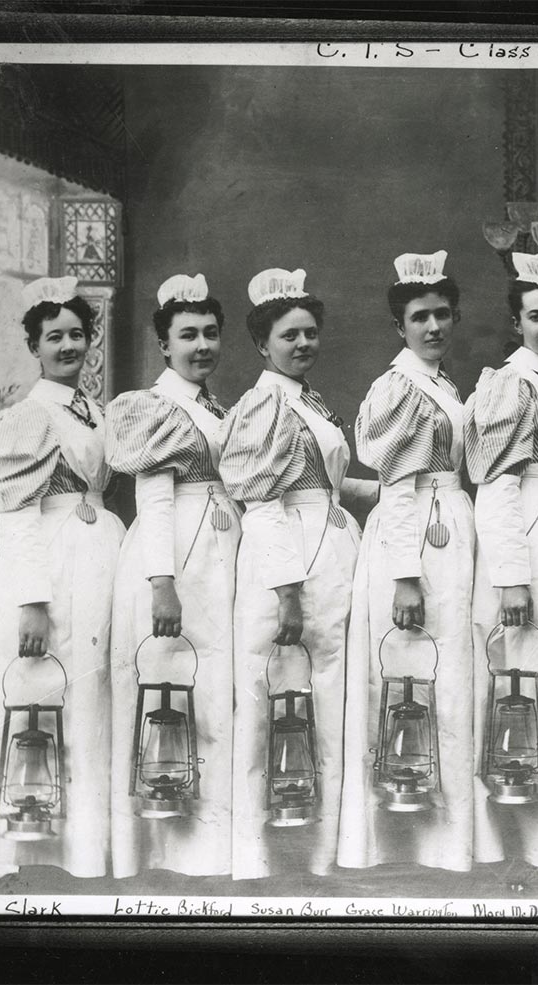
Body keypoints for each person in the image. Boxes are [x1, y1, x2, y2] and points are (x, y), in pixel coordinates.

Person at [0, 276, 124, 887]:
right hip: (53, 565)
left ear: (91, 342)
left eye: (77, 335)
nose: (68, 346)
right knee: (50, 694)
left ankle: (90, 846)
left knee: (94, 697)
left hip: (103, 561)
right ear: (34, 347)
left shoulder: (96, 411)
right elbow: (19, 518)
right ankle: (34, 853)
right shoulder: (28, 419)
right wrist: (33, 602)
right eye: (54, 338)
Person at [220, 267, 377, 880]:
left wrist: (387, 491)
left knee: (332, 699)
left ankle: (329, 850)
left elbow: (325, 483)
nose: (303, 344)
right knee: (269, 702)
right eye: (289, 336)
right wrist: (286, 592)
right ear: (263, 345)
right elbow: (263, 505)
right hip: (287, 562)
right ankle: (255, 854)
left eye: (310, 333)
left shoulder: (305, 398)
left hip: (333, 554)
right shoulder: (263, 405)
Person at [337, 250, 476, 873]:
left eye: (443, 314)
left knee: (446, 677)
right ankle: (404, 841)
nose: (434, 327)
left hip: (447, 529)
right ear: (400, 327)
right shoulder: (399, 387)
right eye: (420, 317)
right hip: (416, 542)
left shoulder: (441, 381)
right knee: (413, 675)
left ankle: (448, 839)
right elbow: (396, 489)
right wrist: (405, 577)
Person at [104, 273, 241, 878]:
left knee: (216, 691)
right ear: (164, 345)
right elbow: (154, 502)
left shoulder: (212, 403)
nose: (202, 345)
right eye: (188, 335)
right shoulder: (155, 408)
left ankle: (216, 844)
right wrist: (162, 582)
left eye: (211, 333)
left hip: (219, 551)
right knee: (178, 686)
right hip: (178, 556)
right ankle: (167, 850)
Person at [464, 249, 538, 879]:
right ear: (516, 323)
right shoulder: (509, 382)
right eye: (536, 316)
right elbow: (497, 486)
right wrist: (511, 574)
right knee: (518, 682)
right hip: (527, 537)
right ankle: (513, 842)